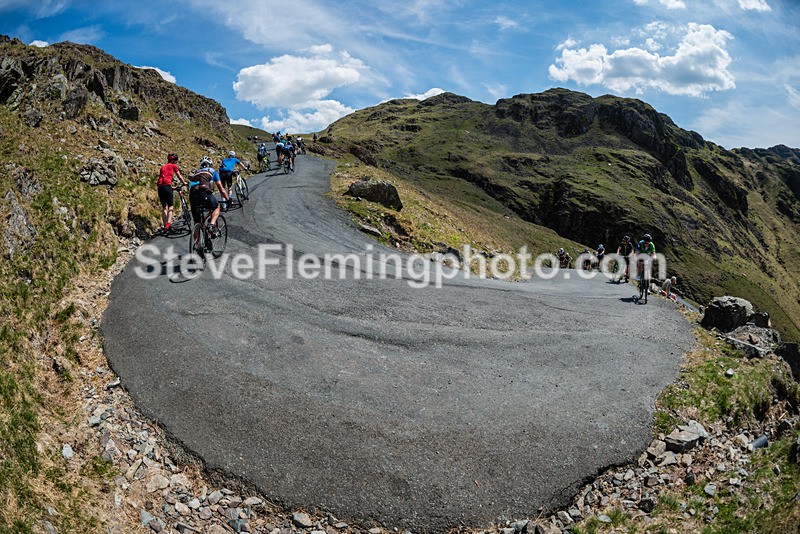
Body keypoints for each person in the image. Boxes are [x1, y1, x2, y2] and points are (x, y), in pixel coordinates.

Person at [189, 156, 230, 233]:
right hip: (204, 193)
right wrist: (228, 199)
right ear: (211, 164)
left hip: (192, 196)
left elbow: (191, 186)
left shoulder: (196, 173)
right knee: (216, 206)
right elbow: (221, 190)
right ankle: (211, 225)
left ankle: (196, 244)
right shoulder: (213, 171)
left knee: (197, 223)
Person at [156, 153, 188, 233]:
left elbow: (162, 180)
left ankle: (164, 226)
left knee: (164, 207)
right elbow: (179, 176)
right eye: (176, 161)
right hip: (167, 186)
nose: (176, 162)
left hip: (160, 187)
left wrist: (172, 188)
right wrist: (184, 183)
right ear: (173, 160)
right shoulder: (173, 166)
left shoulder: (163, 167)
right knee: (170, 207)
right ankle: (168, 224)